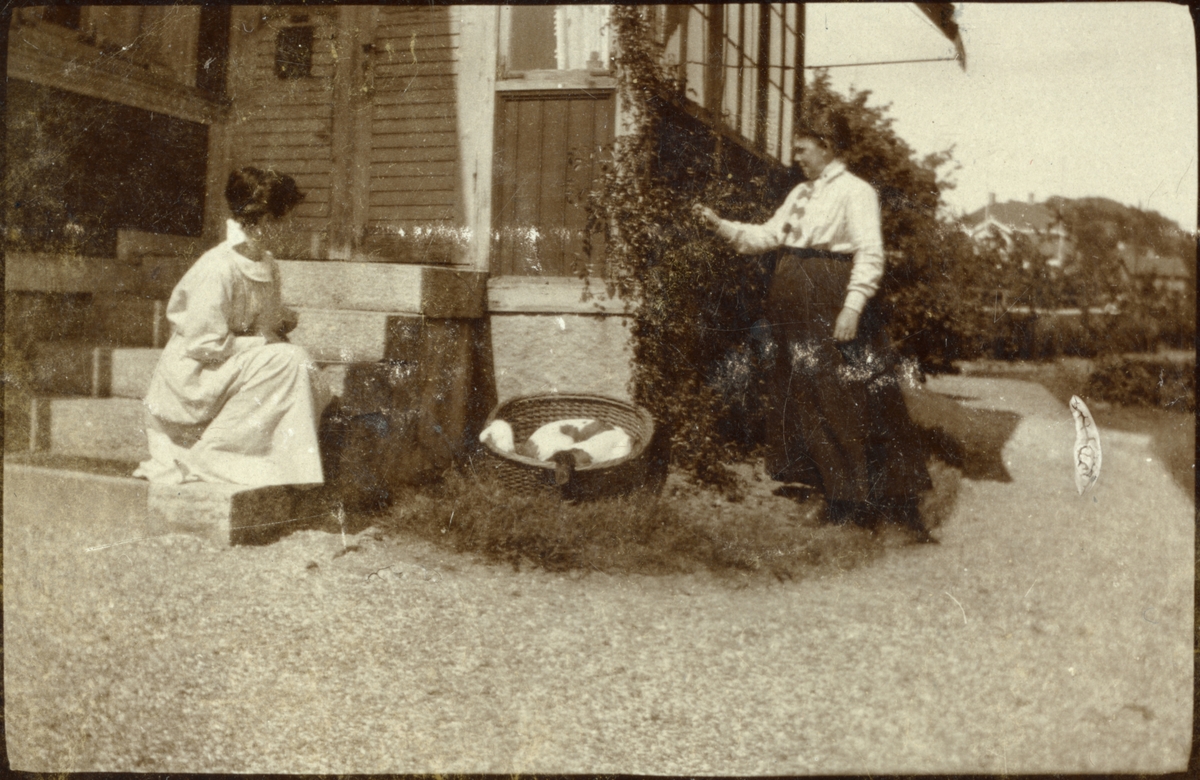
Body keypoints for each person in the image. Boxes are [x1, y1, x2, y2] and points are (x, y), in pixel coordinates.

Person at [693, 113, 935, 542]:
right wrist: (720, 225)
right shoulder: (801, 193)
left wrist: (852, 308)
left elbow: (870, 253)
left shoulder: (856, 192)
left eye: (803, 149)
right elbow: (767, 236)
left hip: (830, 299)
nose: (796, 157)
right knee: (804, 396)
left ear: (827, 146)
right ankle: (832, 493)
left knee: (844, 397)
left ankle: (874, 506)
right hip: (793, 303)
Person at [134, 167, 329, 487]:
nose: (294, 228)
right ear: (265, 221)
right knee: (289, 361)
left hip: (228, 365)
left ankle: (271, 464)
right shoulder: (218, 267)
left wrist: (275, 326)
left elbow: (264, 327)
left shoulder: (267, 265)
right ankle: (208, 457)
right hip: (194, 377)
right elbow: (203, 344)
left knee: (302, 367)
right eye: (288, 220)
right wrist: (263, 343)